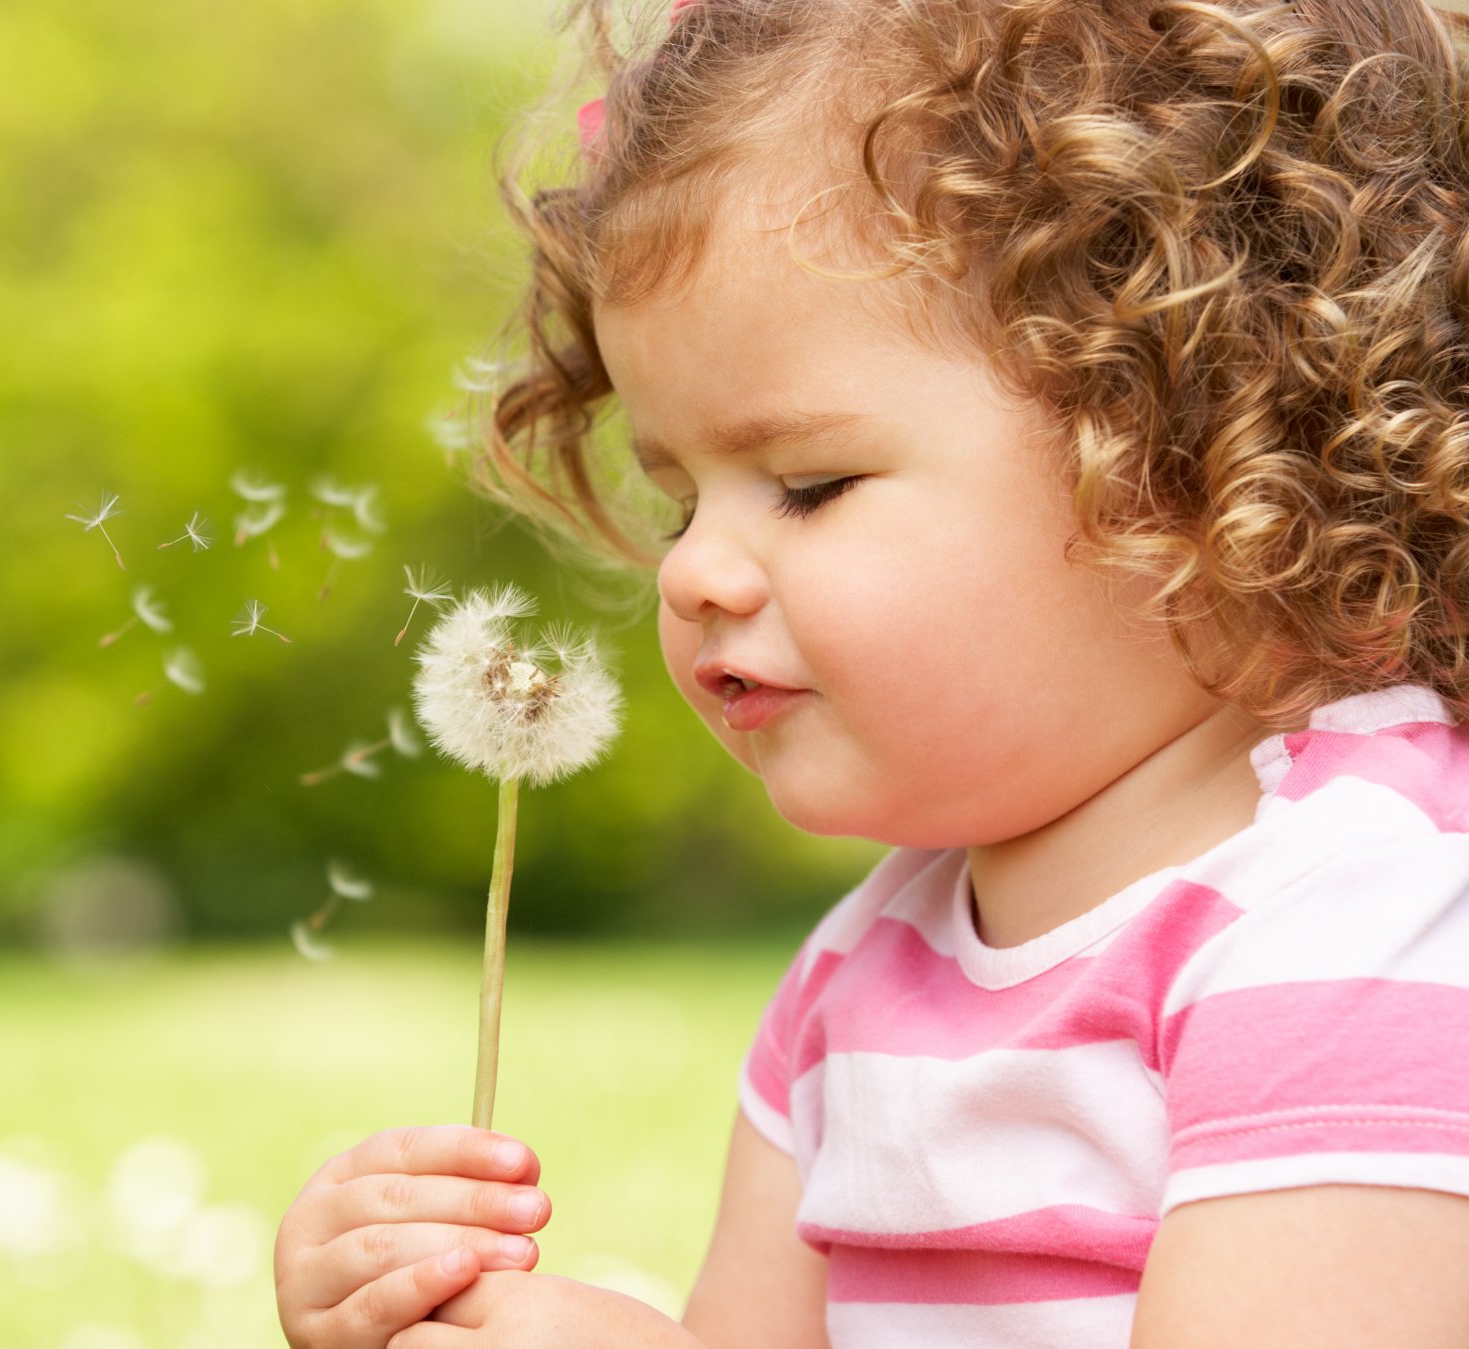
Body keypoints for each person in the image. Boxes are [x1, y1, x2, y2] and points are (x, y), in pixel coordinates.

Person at [274, 0, 1469, 1343]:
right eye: (682, 499)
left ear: (1202, 450)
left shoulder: (1365, 924)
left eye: (808, 484)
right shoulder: (861, 970)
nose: (691, 571)